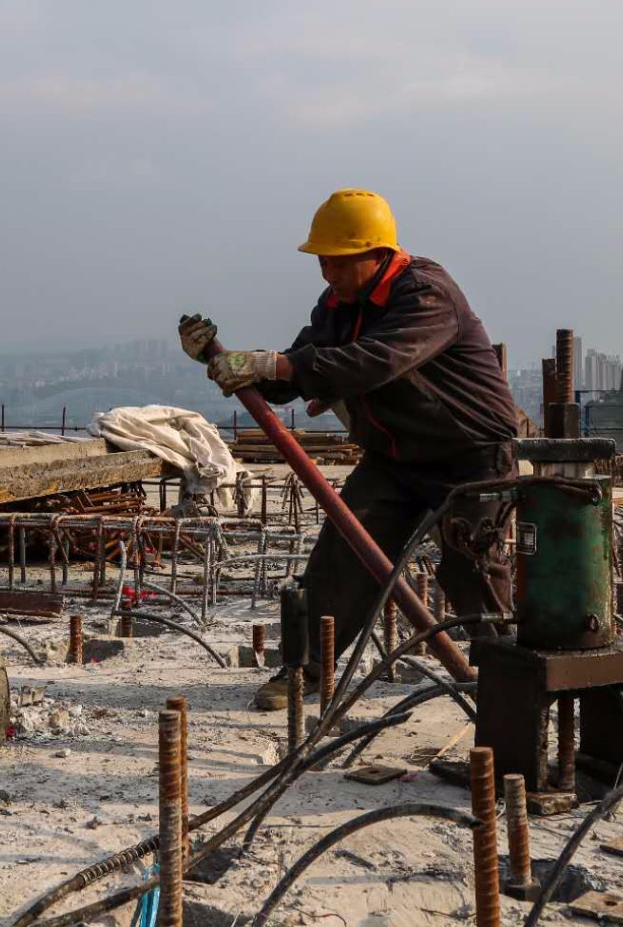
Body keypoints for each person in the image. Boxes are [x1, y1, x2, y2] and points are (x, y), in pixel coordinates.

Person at [178, 188, 519, 710]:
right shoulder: (338, 305)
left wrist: (280, 365)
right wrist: (228, 363)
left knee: (470, 564)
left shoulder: (426, 294)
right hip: (395, 458)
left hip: (468, 454)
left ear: (376, 254)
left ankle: (506, 679)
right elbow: (301, 368)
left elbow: (375, 361)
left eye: (337, 261)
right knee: (344, 552)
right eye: (322, 261)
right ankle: (309, 668)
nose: (326, 273)